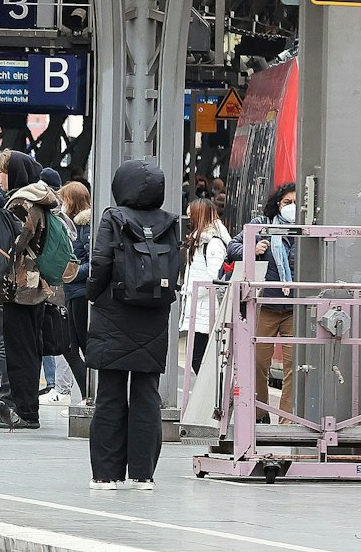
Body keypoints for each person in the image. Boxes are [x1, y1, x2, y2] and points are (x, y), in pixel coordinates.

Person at [86, 158, 182, 490]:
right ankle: (143, 475)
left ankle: (106, 476)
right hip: (154, 314)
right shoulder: (171, 222)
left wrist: (92, 293)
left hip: (113, 312)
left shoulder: (113, 217)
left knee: (110, 394)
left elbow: (100, 262)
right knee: (147, 395)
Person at [0, 151, 70, 431]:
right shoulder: (41, 199)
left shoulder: (22, 203)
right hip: (35, 286)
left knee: (20, 351)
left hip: (19, 288)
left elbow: (13, 243)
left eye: (1, 171)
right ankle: (27, 408)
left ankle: (25, 411)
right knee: (30, 349)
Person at [251, 182, 300, 419]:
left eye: (295, 203)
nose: (291, 207)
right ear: (277, 205)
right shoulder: (263, 225)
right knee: (258, 363)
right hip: (266, 306)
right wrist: (253, 249)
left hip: (294, 310)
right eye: (287, 203)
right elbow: (233, 246)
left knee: (295, 366)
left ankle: (286, 420)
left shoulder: (308, 231)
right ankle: (260, 413)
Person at [182, 199, 241, 375]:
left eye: (191, 216)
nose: (188, 220)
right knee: (199, 358)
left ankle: (210, 399)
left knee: (198, 358)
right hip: (201, 309)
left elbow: (213, 277)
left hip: (207, 309)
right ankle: (210, 398)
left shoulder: (212, 243)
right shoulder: (201, 241)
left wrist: (191, 292)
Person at [49, 179, 93, 405]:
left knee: (81, 345)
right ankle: (87, 393)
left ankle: (90, 395)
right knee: (69, 346)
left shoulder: (84, 226)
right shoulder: (72, 225)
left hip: (80, 293)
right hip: (71, 292)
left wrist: (74, 273)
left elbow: (92, 260)